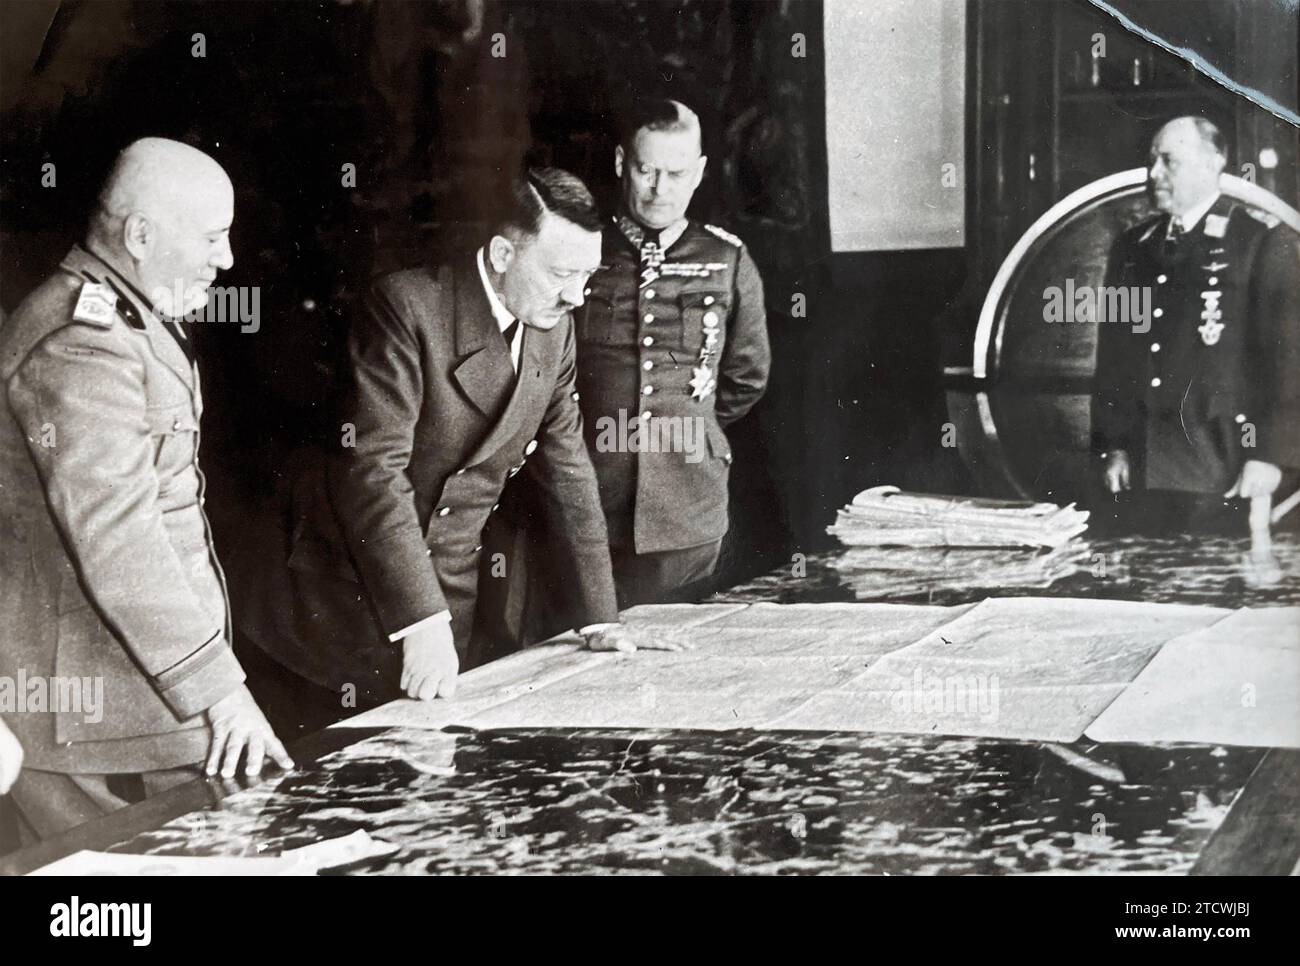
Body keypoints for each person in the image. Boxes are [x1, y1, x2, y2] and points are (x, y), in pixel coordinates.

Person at [232, 167, 680, 732]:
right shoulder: (407, 306)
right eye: (562, 274)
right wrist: (420, 621)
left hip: (445, 588)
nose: (575, 296)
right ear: (500, 255)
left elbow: (567, 468)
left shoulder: (552, 326)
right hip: (339, 596)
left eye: (587, 276)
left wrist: (600, 618)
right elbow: (372, 471)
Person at [0, 138, 292, 842]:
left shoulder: (128, 318)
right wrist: (220, 692)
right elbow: (120, 539)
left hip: (142, 696)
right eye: (214, 236)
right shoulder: (83, 342)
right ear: (140, 235)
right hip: (97, 718)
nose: (226, 259)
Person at [570, 98, 770, 609]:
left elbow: (746, 377)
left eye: (677, 174)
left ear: (700, 173)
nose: (660, 190)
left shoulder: (727, 259)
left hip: (688, 500)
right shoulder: (583, 250)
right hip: (589, 490)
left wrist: (689, 425)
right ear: (621, 164)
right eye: (646, 170)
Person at [1092, 116, 1300, 527]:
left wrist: (1269, 456)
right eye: (1153, 162)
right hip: (1142, 465)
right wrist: (1113, 446)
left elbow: (1289, 363)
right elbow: (1114, 358)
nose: (1154, 174)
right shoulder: (1132, 249)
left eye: (1169, 162)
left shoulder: (1259, 242)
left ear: (1213, 162)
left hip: (1224, 463)